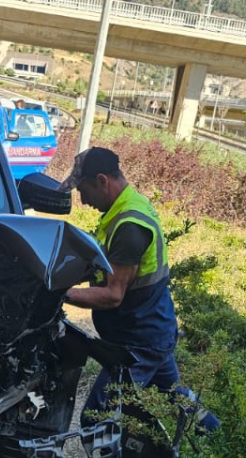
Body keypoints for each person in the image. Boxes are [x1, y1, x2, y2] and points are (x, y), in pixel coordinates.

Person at [61, 147, 186, 417]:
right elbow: (105, 264)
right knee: (180, 403)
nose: (82, 200)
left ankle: (215, 443)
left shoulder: (129, 225)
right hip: (152, 330)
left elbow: (112, 295)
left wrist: (60, 293)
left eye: (83, 190)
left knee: (98, 418)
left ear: (103, 181)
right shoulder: (126, 208)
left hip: (140, 342)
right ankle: (212, 438)